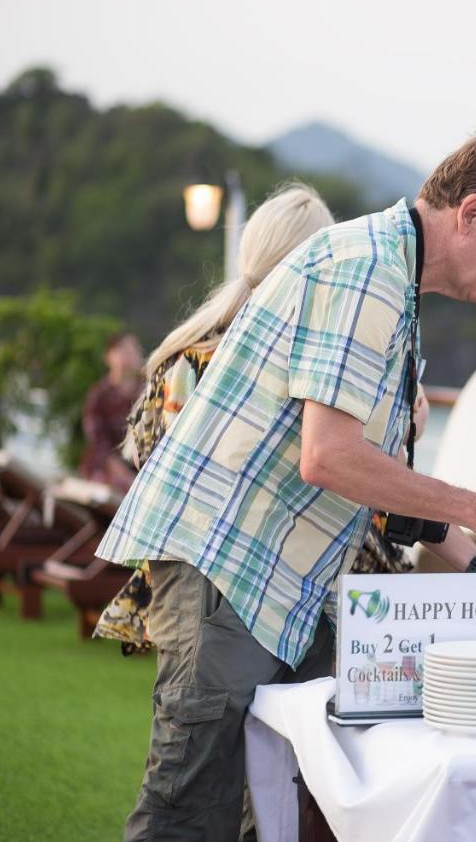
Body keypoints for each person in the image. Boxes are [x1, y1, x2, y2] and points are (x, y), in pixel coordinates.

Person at [96, 122, 476, 842]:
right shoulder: (367, 270)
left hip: (270, 580)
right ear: (472, 212)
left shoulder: (395, 281)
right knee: (190, 811)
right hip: (226, 563)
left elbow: (384, 481)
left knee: (283, 801)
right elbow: (330, 458)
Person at [93, 182, 335, 655]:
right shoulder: (296, 365)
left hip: (190, 583)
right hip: (247, 589)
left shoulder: (187, 356)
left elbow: (152, 461)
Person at [79, 331, 142, 492]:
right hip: (104, 467)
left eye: (133, 350)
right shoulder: (99, 395)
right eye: (123, 350)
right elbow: (97, 440)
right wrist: (117, 468)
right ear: (108, 357)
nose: (129, 356)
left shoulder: (148, 394)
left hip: (138, 469)